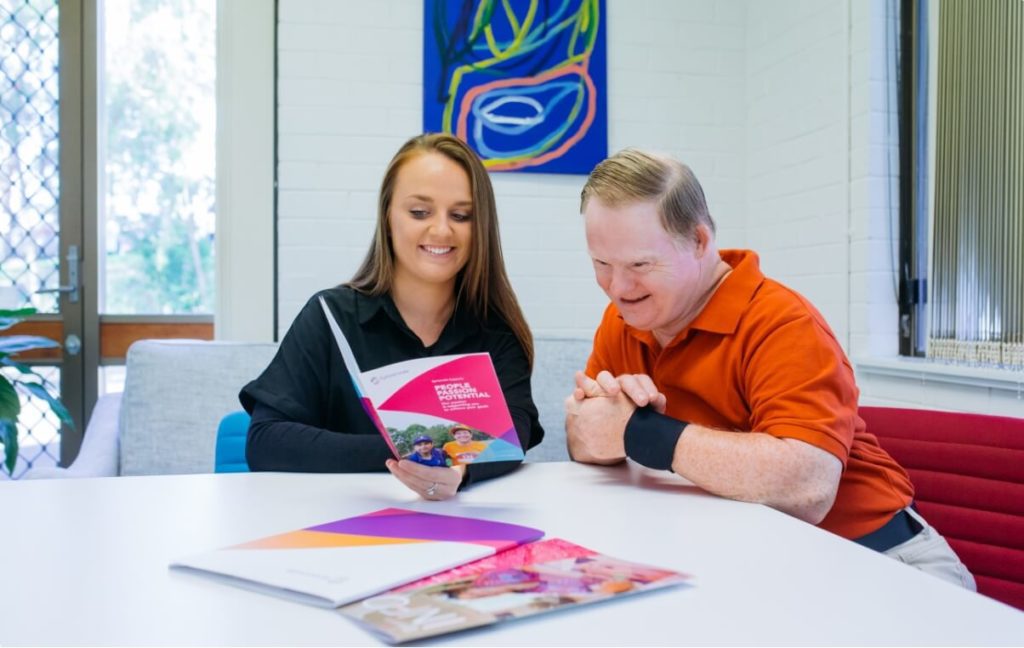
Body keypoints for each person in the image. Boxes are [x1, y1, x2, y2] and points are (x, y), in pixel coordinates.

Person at [564, 148, 975, 589]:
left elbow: (807, 487)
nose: (618, 288)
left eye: (640, 265)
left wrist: (638, 432)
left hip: (882, 559)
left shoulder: (781, 321)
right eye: (601, 264)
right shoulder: (625, 318)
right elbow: (586, 440)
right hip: (760, 564)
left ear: (699, 242)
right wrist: (594, 426)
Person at [240, 133, 544, 500]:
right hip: (341, 529)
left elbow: (514, 436)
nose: (441, 230)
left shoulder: (496, 332)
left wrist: (459, 471)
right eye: (419, 212)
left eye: (461, 215)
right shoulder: (329, 316)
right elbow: (266, 440)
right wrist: (420, 456)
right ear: (387, 216)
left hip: (460, 527)